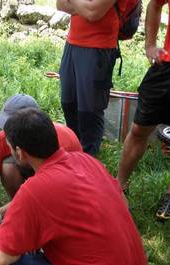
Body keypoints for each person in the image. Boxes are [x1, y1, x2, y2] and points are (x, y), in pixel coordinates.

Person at [0, 108, 147, 265]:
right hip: (134, 261)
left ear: (19, 152)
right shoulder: (87, 161)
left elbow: (0, 259)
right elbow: (123, 202)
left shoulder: (34, 190)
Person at [0, 94, 82, 245]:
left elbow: (53, 192)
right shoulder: (2, 140)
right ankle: (22, 211)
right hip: (38, 175)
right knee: (8, 168)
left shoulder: (61, 142)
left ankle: (26, 212)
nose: (7, 133)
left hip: (64, 190)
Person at [117, 0, 170, 220]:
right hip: (167, 66)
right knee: (139, 129)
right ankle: (119, 185)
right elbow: (155, 4)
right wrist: (150, 44)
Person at [56, 0, 126, 155]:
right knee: (68, 102)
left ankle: (89, 158)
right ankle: (74, 152)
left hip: (98, 47)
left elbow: (93, 13)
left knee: (89, 110)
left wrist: (76, 5)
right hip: (72, 44)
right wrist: (84, 8)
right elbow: (60, 4)